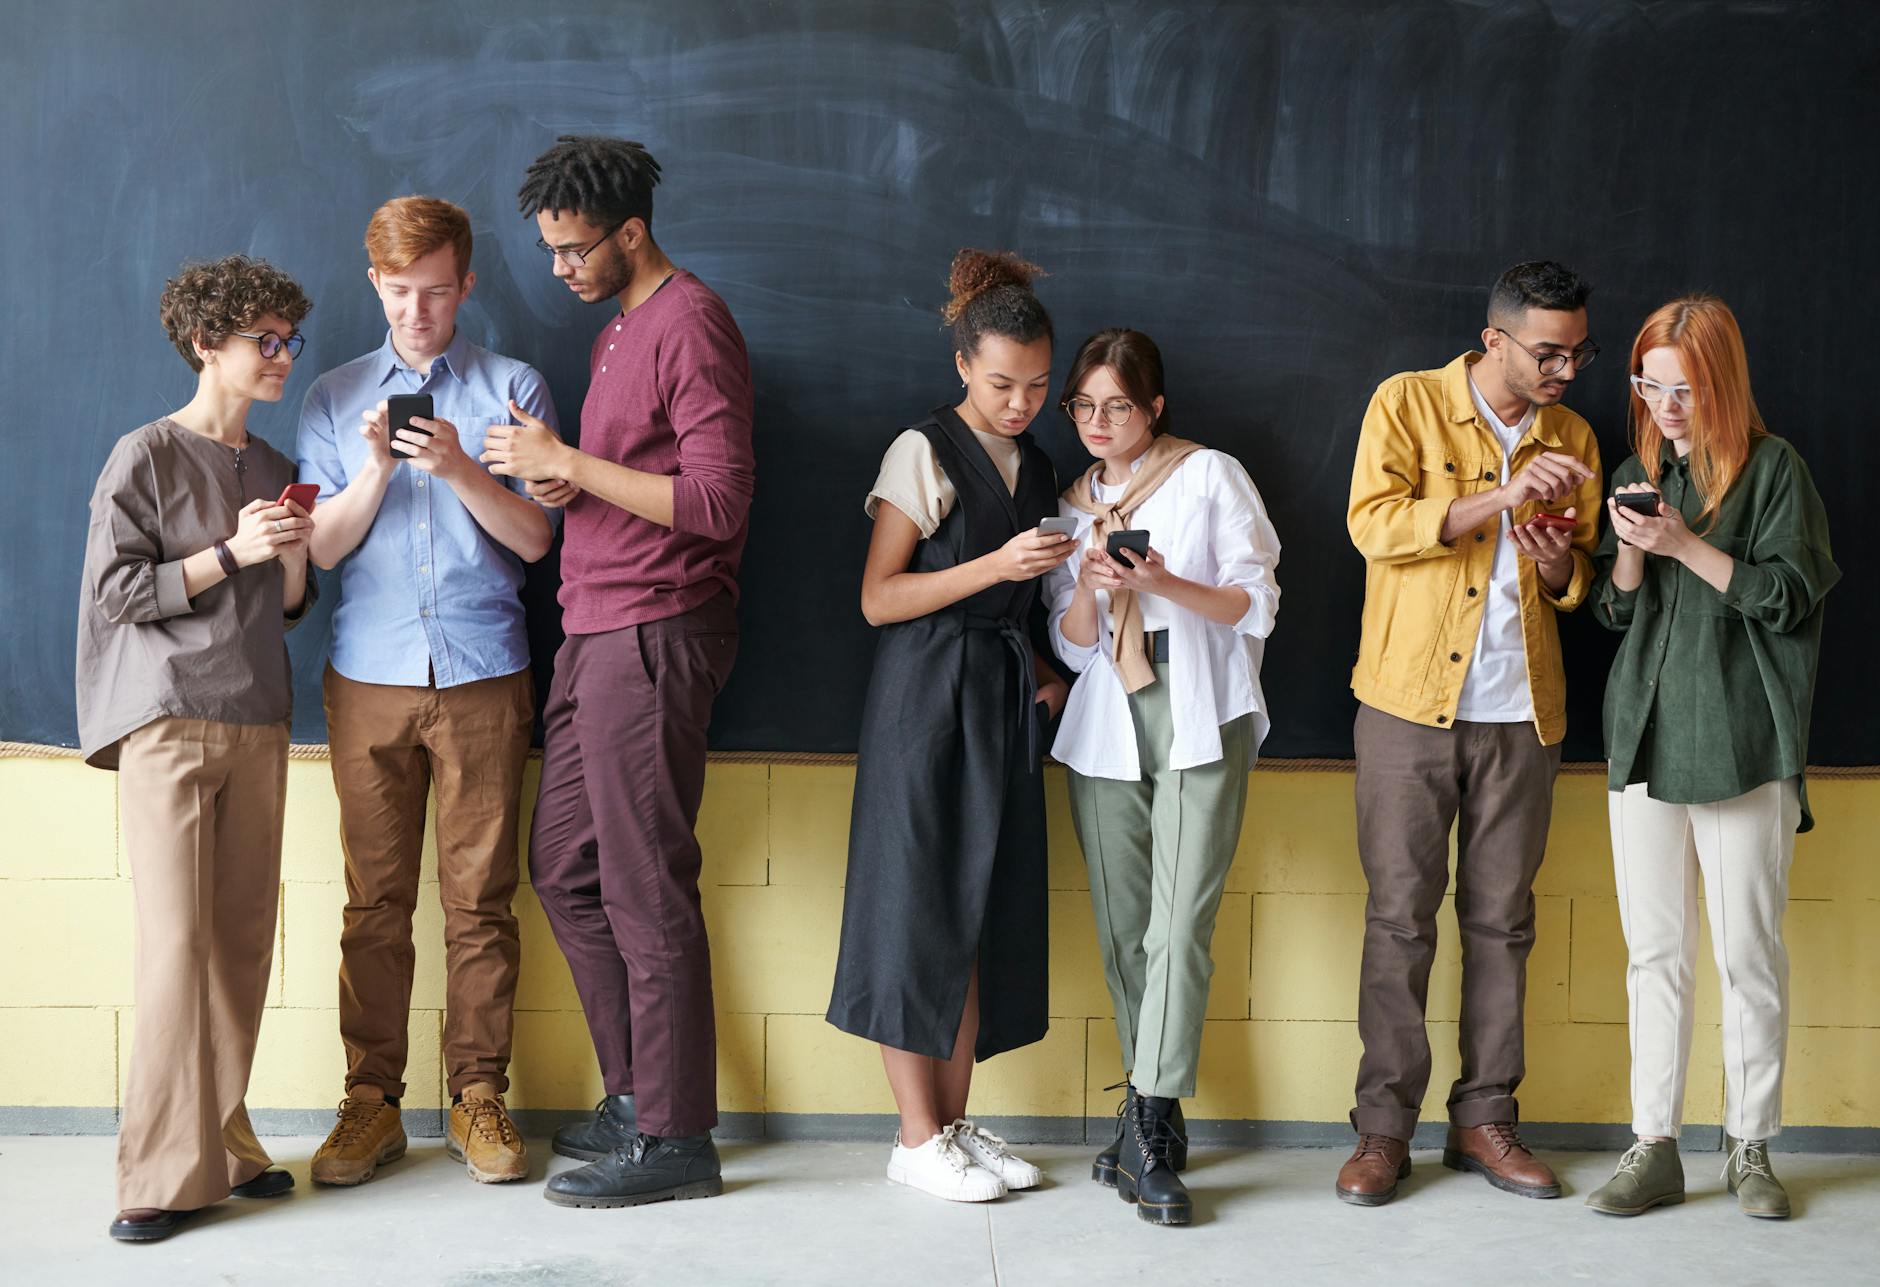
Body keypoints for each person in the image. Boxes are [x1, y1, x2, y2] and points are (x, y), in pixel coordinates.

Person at [485, 136, 755, 1207]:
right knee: (563, 868)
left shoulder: (690, 322)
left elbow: (718, 503)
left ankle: (677, 1137)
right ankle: (641, 1096)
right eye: (551, 249)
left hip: (654, 630)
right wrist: (564, 484)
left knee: (646, 886)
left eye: (572, 249)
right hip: (595, 625)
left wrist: (570, 465)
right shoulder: (616, 336)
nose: (559, 267)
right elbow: (633, 479)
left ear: (629, 232)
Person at [297, 196, 559, 1188]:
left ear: (467, 284)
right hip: (369, 672)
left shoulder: (512, 386)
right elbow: (320, 547)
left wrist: (454, 466)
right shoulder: (332, 395)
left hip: (485, 672)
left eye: (438, 291)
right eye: (402, 292)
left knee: (481, 900)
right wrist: (373, 469)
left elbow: (536, 541)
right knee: (375, 902)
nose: (419, 311)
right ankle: (371, 1101)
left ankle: (476, 1095)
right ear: (376, 285)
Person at [1339, 261, 1604, 1206]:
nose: (1566, 370)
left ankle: (1486, 1119)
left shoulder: (1573, 434)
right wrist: (1502, 496)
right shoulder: (1406, 403)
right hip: (1409, 706)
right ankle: (1382, 1133)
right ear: (1495, 339)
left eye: (1577, 352)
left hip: (1525, 714)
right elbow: (1372, 525)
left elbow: (1579, 579)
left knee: (1504, 923)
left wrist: (1559, 555)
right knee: (1401, 921)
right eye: (1548, 352)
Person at [1583, 296, 1837, 1221]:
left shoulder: (1774, 472)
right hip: (1643, 735)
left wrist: (1683, 543)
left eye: (1683, 388)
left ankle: (1751, 1145)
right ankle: (1654, 1144)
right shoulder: (1637, 470)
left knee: (1746, 954)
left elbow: (1790, 595)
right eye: (1649, 385)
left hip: (1740, 738)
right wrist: (1630, 554)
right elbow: (1619, 615)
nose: (1663, 405)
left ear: (1721, 382)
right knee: (1654, 952)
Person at [78, 255, 316, 1241]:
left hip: (257, 717)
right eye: (263, 341)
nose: (282, 357)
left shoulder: (269, 465)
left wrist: (291, 554)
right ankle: (155, 1176)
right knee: (177, 949)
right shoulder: (144, 454)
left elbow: (289, 606)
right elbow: (119, 593)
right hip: (168, 720)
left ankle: (226, 1145)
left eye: (289, 341)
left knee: (240, 948)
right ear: (204, 344)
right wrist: (229, 554)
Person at [826, 250, 1072, 1204]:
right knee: (914, 910)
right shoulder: (921, 449)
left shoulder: (1041, 463)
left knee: (978, 913)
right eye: (1003, 382)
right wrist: (997, 566)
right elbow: (879, 597)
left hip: (999, 701)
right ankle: (914, 1134)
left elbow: (1021, 608)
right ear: (964, 364)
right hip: (923, 700)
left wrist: (1048, 676)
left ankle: (955, 1126)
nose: (1021, 402)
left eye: (1039, 385)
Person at [1044, 328, 1281, 1225]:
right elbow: (1067, 640)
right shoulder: (1069, 504)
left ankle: (1146, 1119)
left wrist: (1164, 579)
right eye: (1084, 407)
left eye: (1119, 406)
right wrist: (1092, 586)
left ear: (1155, 407)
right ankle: (1153, 1126)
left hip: (1199, 698)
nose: (1100, 423)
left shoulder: (1209, 474)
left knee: (1180, 923)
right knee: (1123, 924)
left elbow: (1256, 601)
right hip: (1106, 706)